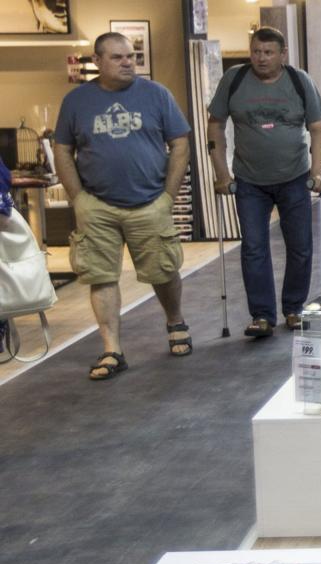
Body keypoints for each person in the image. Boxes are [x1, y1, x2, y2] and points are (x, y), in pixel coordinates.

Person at [53, 32, 191, 380]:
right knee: (100, 275)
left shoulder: (156, 94)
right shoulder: (76, 101)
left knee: (163, 269)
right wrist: (78, 198)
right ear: (97, 61)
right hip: (96, 205)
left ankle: (175, 321)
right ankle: (111, 348)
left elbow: (180, 143)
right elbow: (62, 151)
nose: (128, 62)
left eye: (130, 56)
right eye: (117, 57)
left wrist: (167, 198)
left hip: (149, 201)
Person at [208, 26, 321, 338]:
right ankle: (262, 315)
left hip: (295, 177)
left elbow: (317, 128)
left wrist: (317, 172)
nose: (261, 58)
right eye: (256, 51)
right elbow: (215, 126)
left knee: (300, 246)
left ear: (282, 54)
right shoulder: (234, 79)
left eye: (268, 52)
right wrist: (221, 172)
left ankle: (294, 308)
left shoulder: (300, 81)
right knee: (253, 247)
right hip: (249, 180)